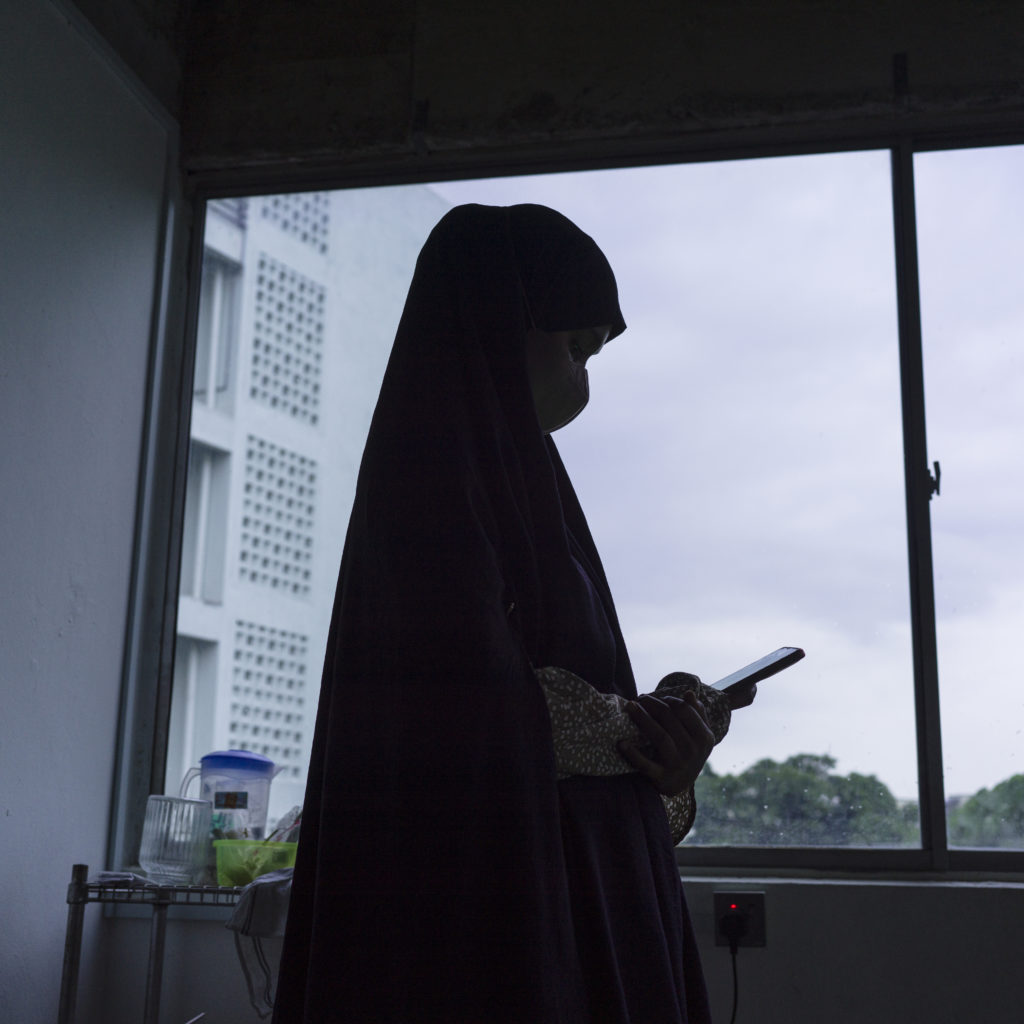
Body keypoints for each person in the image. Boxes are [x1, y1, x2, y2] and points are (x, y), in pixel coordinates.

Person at [273, 203, 755, 1024]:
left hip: (585, 907)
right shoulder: (425, 487)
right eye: (574, 346)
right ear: (499, 324)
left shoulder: (540, 499)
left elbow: (562, 707)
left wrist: (667, 746)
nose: (583, 381)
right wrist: (632, 726)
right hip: (491, 937)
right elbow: (459, 711)